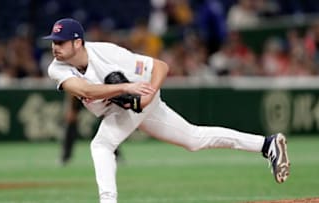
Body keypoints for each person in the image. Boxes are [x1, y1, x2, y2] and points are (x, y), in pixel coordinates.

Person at [43, 18, 290, 203]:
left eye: (60, 42)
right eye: (53, 42)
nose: (55, 47)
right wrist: (125, 87)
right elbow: (86, 90)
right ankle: (267, 144)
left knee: (101, 145)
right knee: (193, 139)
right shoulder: (57, 68)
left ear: (78, 42)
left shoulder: (108, 53)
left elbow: (160, 66)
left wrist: (149, 92)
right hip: (123, 103)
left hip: (139, 99)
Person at [60, 93, 123, 165]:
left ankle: (115, 153)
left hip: (95, 91)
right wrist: (71, 108)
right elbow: (71, 89)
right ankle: (65, 156)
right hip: (80, 92)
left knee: (106, 122)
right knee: (71, 120)